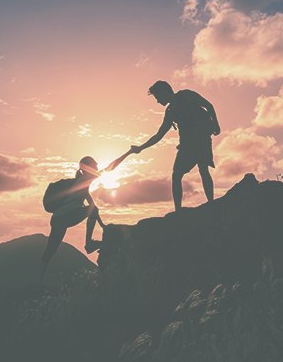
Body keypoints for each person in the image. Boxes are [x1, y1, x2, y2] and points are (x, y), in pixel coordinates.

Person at [36, 151, 132, 287]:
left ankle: (38, 282)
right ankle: (88, 244)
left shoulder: (82, 184)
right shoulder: (85, 179)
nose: (98, 165)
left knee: (50, 250)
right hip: (63, 218)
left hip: (58, 218)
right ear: (88, 167)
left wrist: (102, 225)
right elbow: (110, 168)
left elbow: (92, 207)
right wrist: (128, 152)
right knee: (51, 249)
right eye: (95, 163)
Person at [131, 81, 221, 211]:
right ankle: (178, 211)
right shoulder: (170, 112)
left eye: (157, 97)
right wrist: (140, 148)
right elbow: (159, 134)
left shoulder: (186, 95)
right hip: (186, 145)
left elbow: (208, 105)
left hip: (201, 138)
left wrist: (216, 124)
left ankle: (211, 204)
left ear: (164, 92)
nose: (157, 101)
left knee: (203, 168)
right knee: (176, 175)